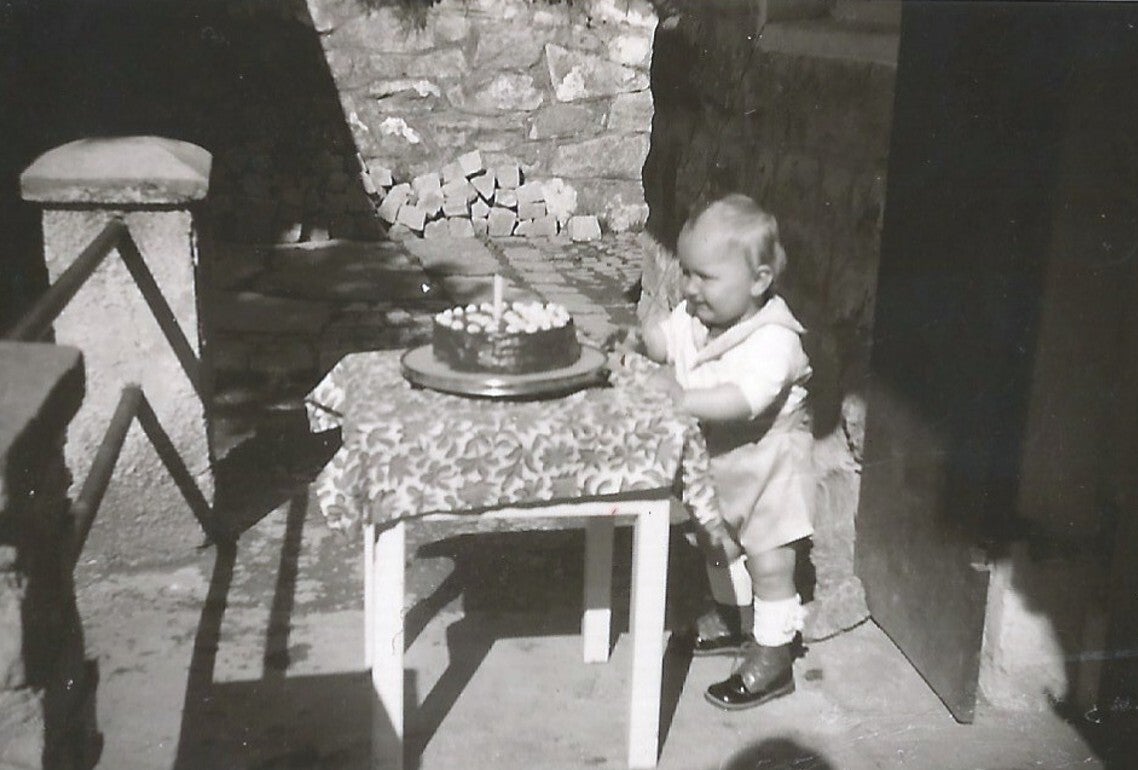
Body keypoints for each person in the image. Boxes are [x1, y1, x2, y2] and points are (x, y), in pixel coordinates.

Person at [640, 193, 815, 710]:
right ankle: (733, 617)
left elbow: (744, 400)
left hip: (769, 468)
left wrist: (681, 396)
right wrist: (645, 337)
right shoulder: (695, 318)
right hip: (719, 464)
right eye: (686, 272)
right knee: (716, 544)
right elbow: (665, 342)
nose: (690, 288)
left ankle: (773, 653)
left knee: (769, 562)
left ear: (759, 281)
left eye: (706, 277)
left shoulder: (774, 339)